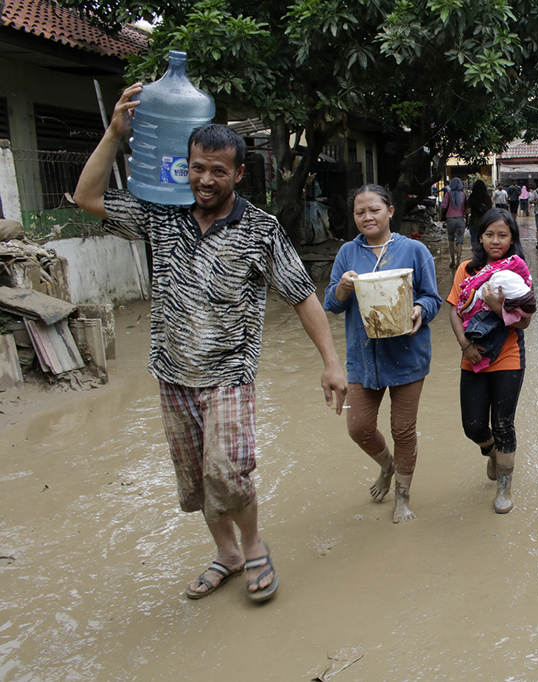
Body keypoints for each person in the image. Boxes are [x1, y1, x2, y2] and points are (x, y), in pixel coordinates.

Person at [72, 85, 347, 603]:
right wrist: (114, 134)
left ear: (238, 174)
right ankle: (227, 554)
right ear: (186, 164)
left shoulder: (260, 230)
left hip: (229, 374)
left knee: (228, 471)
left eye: (218, 170)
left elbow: (303, 296)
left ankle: (254, 543)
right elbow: (87, 197)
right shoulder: (161, 214)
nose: (206, 179)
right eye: (198, 167)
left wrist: (332, 363)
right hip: (172, 371)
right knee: (197, 481)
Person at [324, 184, 442, 524]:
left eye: (373, 209)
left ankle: (403, 496)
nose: (366, 217)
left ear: (390, 211)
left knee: (403, 429)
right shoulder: (348, 252)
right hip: (363, 358)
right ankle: (386, 464)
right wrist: (342, 288)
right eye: (360, 212)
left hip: (408, 355)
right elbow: (331, 304)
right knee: (358, 426)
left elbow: (432, 297)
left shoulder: (414, 250)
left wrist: (421, 308)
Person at [447, 208, 534, 513]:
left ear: (512, 239)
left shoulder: (519, 273)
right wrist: (464, 345)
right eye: (489, 234)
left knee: (503, 423)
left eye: (503, 235)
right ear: (480, 237)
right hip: (472, 355)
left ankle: (504, 488)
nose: (495, 241)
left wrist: (498, 308)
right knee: (472, 425)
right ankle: (492, 451)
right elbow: (454, 311)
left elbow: (524, 323)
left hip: (508, 356)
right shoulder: (466, 270)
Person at [440, 177, 468, 269]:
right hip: (460, 219)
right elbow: (465, 209)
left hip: (450, 220)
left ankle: (452, 261)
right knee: (459, 241)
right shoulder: (463, 194)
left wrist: (442, 215)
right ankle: (458, 262)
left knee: (451, 241)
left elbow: (443, 206)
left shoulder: (448, 194)